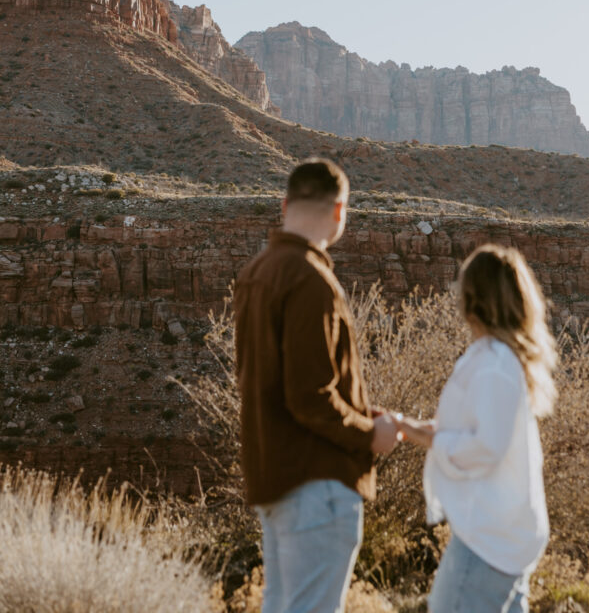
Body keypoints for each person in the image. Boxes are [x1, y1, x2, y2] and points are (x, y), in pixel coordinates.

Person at [234, 157, 400, 613]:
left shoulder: (255, 275)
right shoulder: (311, 278)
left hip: (274, 478)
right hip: (318, 487)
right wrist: (371, 433)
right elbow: (310, 395)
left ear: (285, 204)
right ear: (340, 212)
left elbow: (270, 381)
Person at [401, 244, 557, 613]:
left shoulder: (493, 363)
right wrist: (415, 427)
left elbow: (487, 447)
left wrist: (427, 437)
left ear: (473, 299)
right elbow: (480, 429)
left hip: (489, 539)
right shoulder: (500, 357)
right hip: (506, 534)